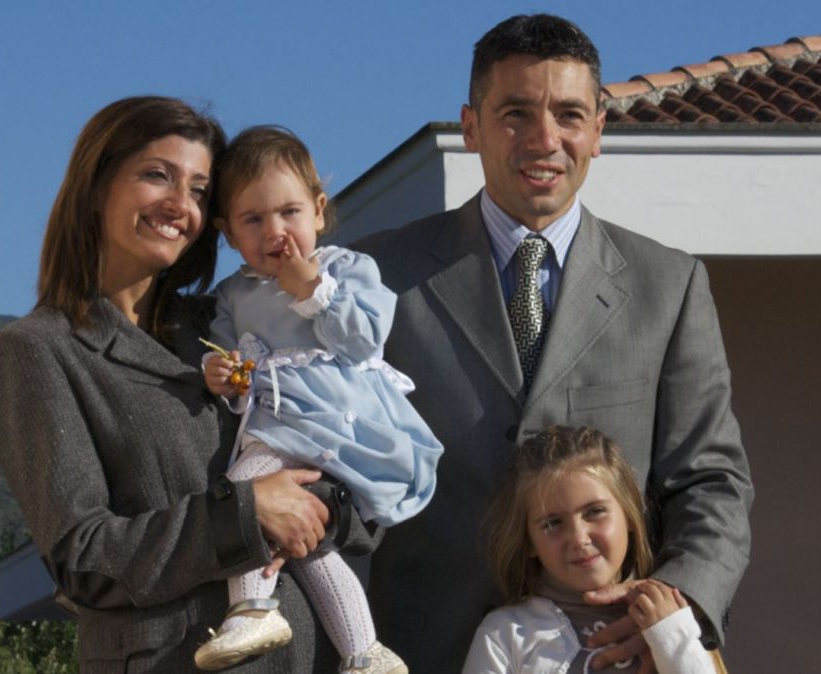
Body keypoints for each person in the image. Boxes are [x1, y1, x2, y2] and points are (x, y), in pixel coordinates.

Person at [355, 13, 753, 673]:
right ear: (471, 127)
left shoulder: (669, 285)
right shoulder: (375, 279)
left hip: (614, 652)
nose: (545, 139)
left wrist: (677, 611)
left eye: (569, 115)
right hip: (415, 653)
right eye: (516, 113)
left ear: (598, 130)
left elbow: (711, 481)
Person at [0, 97, 379, 674]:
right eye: (156, 175)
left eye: (198, 190)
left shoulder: (228, 325)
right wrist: (246, 515)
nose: (179, 204)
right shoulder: (36, 351)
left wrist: (322, 506)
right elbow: (84, 560)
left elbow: (348, 464)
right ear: (95, 186)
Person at [194, 126, 441, 674]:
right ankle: (365, 652)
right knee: (310, 547)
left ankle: (251, 608)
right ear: (227, 232)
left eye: (289, 212)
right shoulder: (234, 295)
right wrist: (223, 376)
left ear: (319, 211)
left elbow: (365, 339)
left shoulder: (346, 269)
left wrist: (313, 290)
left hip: (337, 427)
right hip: (278, 424)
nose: (275, 231)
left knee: (243, 494)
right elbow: (231, 363)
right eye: (253, 220)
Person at [462, 426, 716, 673]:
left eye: (595, 512)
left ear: (630, 514)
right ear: (528, 542)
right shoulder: (505, 633)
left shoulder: (668, 619)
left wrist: (672, 635)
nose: (578, 538)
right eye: (552, 523)